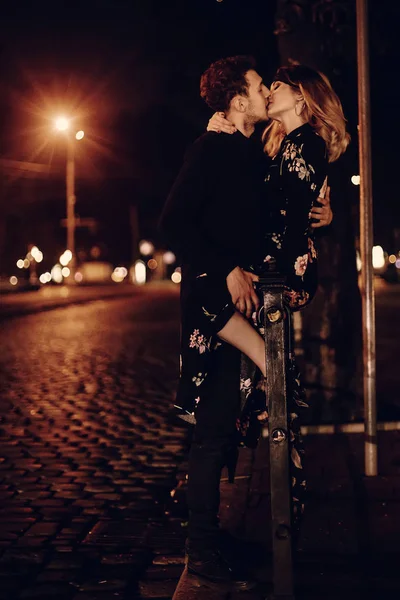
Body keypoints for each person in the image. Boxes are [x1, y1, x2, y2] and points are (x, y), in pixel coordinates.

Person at [159, 57, 335, 589]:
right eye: (260, 87)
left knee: (223, 428)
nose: (265, 92)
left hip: (236, 302)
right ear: (240, 101)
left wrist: (324, 217)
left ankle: (209, 537)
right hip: (214, 301)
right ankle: (203, 548)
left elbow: (275, 211)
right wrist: (227, 267)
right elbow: (175, 223)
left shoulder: (246, 152)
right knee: (216, 430)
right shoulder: (211, 149)